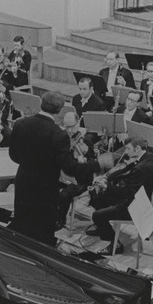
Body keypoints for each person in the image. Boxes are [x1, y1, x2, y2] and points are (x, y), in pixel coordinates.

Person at [8, 91, 102, 246]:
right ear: (59, 110)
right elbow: (69, 168)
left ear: (41, 104)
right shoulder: (58, 134)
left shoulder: (20, 124)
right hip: (45, 187)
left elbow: (13, 156)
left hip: (23, 181)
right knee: (42, 230)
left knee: (22, 223)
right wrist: (97, 164)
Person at [87, 136, 153, 254]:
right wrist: (106, 178)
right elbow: (124, 174)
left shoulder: (141, 168)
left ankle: (116, 245)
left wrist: (106, 187)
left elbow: (128, 193)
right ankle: (102, 228)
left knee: (97, 215)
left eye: (128, 149)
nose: (126, 152)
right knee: (97, 199)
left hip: (137, 207)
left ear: (137, 148)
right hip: (137, 199)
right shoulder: (147, 158)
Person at [56, 112, 95, 228]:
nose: (68, 130)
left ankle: (60, 219)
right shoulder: (62, 137)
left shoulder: (86, 140)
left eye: (71, 127)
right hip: (63, 175)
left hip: (81, 179)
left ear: (78, 123)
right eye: (66, 127)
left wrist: (82, 161)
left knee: (64, 195)